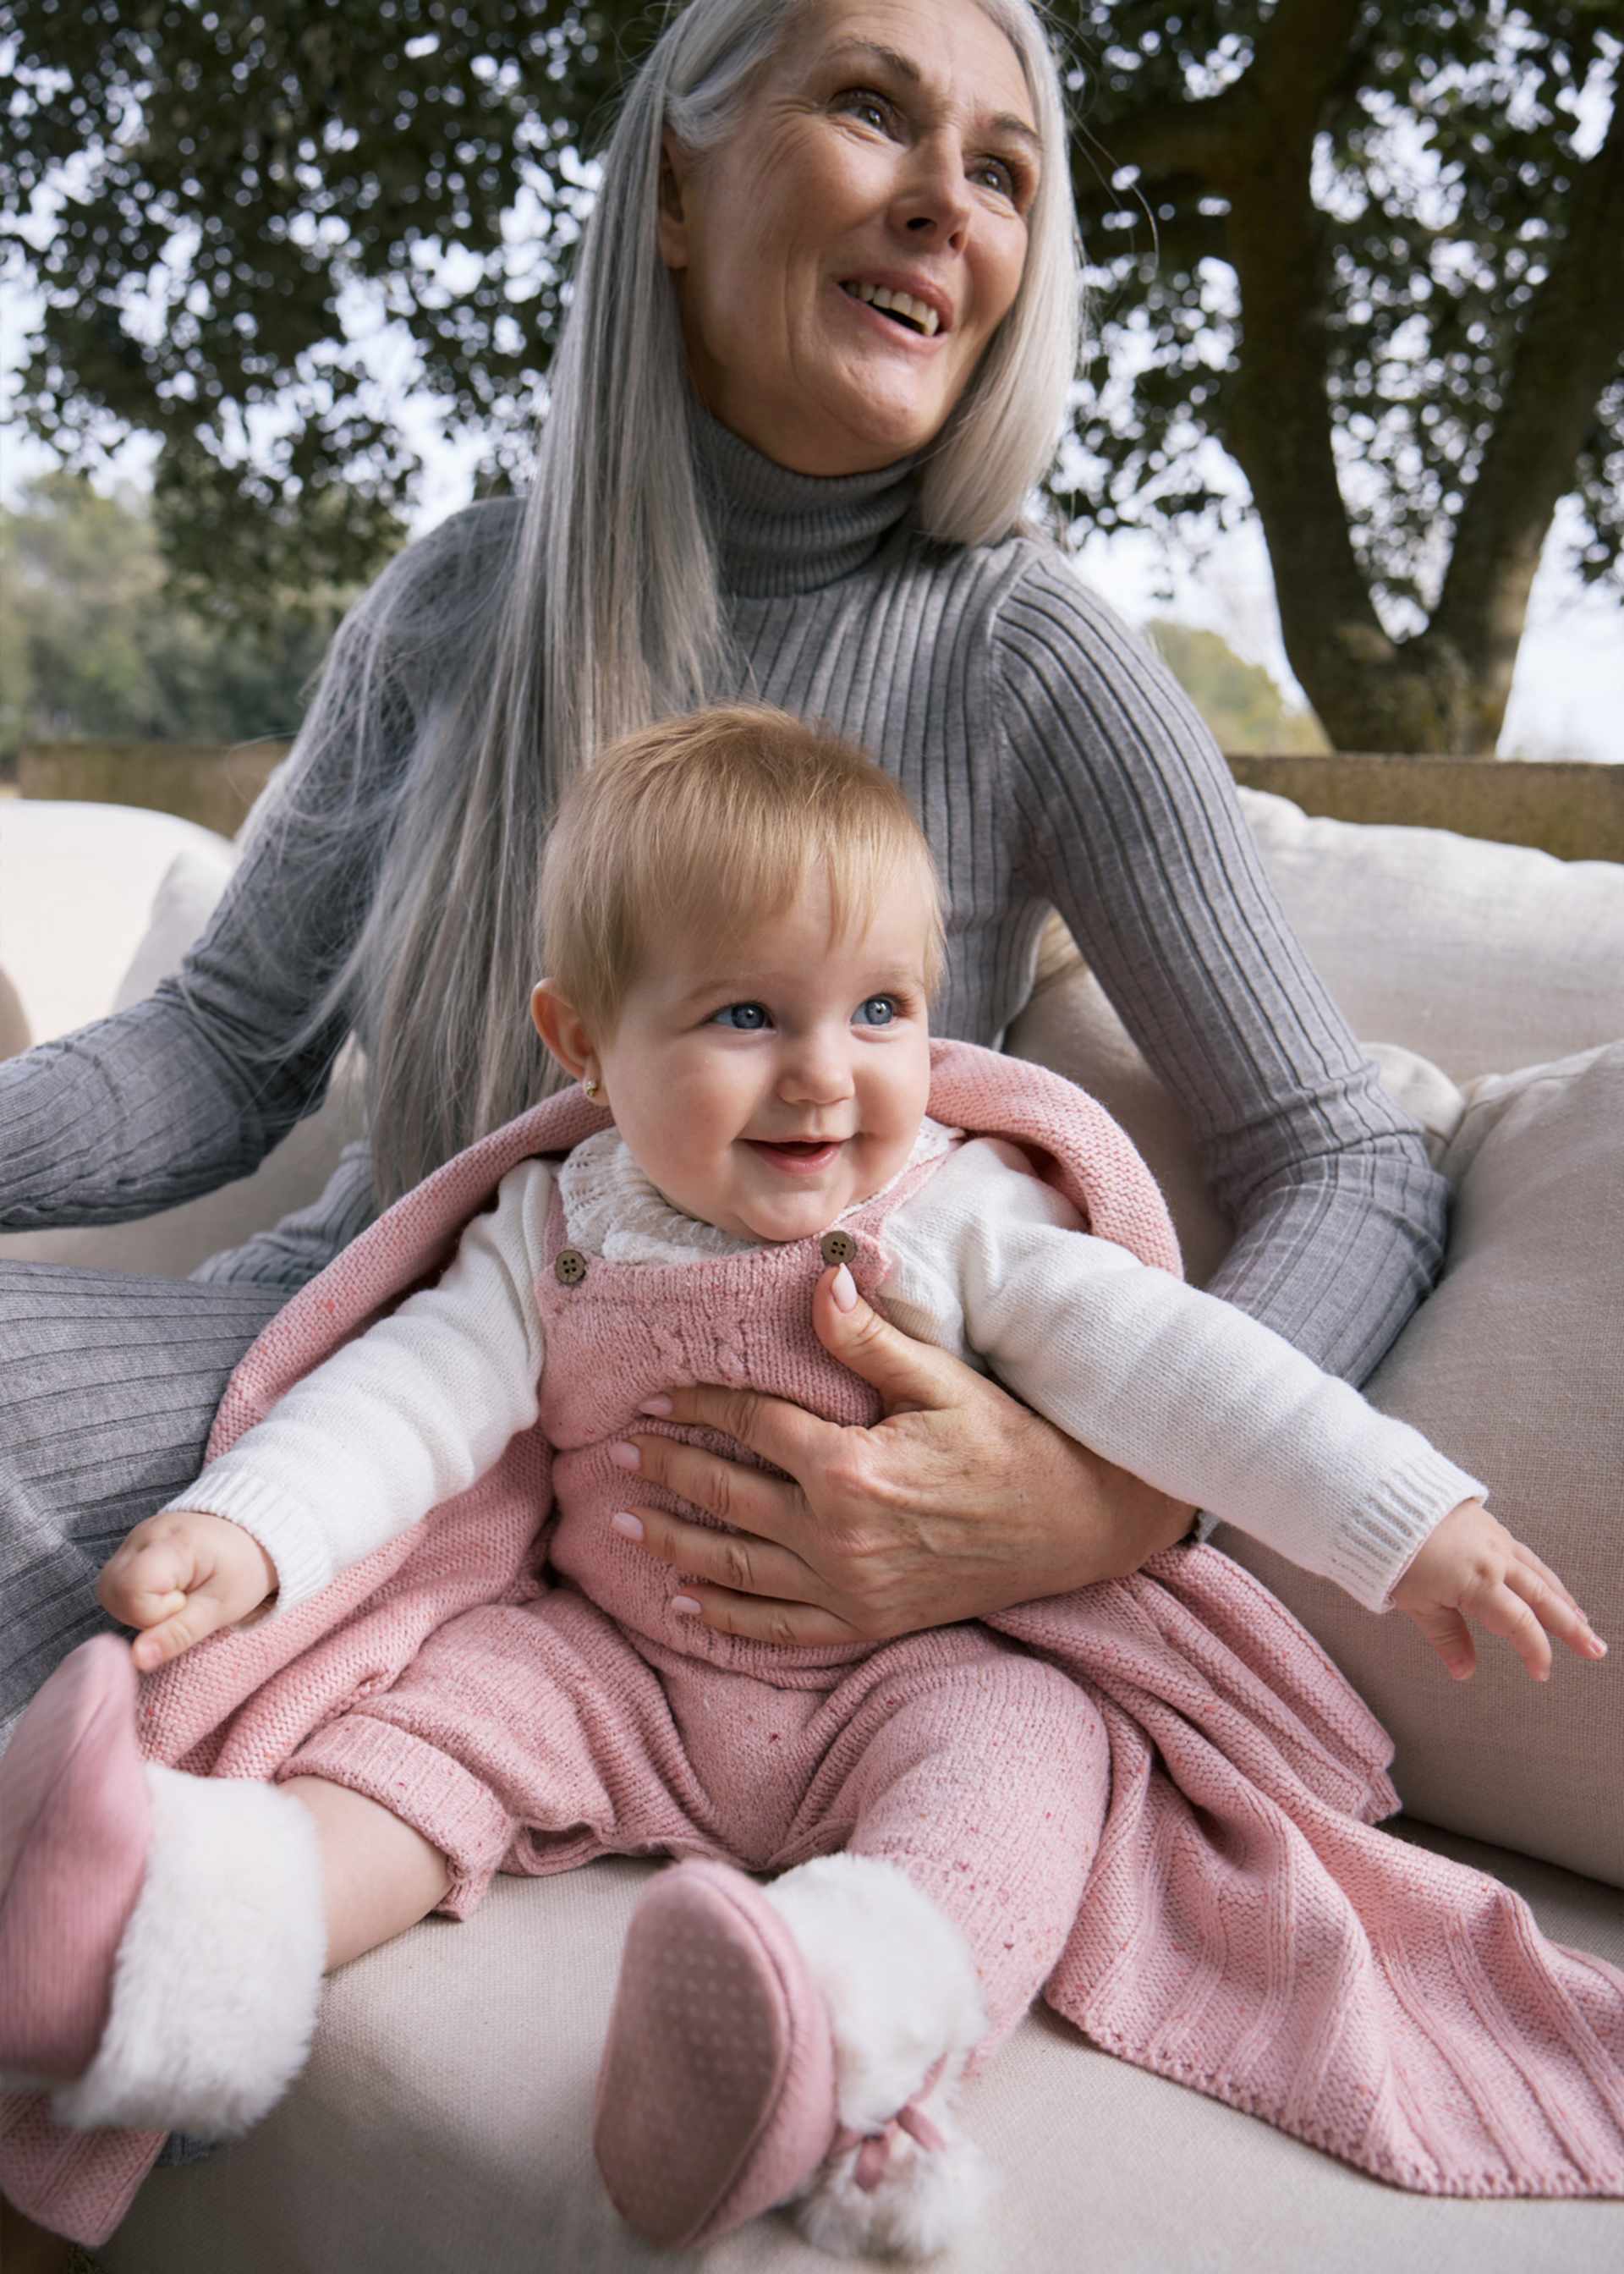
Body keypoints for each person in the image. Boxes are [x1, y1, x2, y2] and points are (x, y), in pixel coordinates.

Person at [0, 0, 1453, 1754]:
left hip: (694, 1485)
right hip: (365, 1383)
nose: (952, 206)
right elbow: (224, 1051)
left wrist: (1108, 1498)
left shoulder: (1031, 656)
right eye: (871, 109)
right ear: (676, 189)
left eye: (1005, 171)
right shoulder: (459, 600)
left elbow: (1348, 1159)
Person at [2, 710, 1609, 2260]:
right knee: (416, 1733)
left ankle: (828, 2026)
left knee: (1026, 1763)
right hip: (610, 1666)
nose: (828, 1077)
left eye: (883, 1010)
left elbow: (1190, 1375)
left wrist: (1410, 1523)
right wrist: (247, 1531)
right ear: (584, 1041)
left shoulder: (960, 1213)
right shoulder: (557, 1221)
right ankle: (186, 1942)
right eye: (748, 1017)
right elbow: (402, 1400)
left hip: (906, 1674)